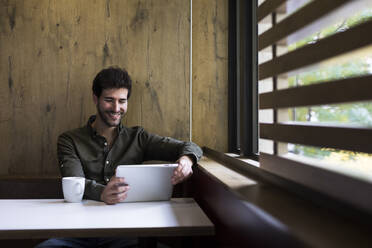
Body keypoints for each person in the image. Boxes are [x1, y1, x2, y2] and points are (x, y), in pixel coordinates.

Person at [35, 67, 203, 248]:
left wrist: (187, 160)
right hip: (78, 231)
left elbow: (191, 146)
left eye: (122, 101)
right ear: (95, 99)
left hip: (125, 234)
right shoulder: (69, 140)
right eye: (109, 100)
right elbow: (75, 182)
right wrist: (101, 193)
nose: (116, 108)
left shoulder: (138, 137)